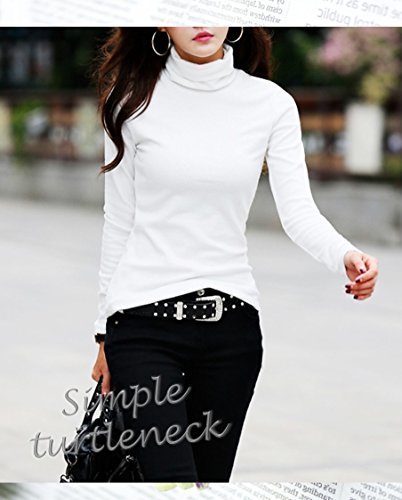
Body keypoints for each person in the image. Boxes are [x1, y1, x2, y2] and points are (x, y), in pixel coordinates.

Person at [90, 27, 379, 482]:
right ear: (161, 21)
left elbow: (298, 212)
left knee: (209, 484)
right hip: (143, 329)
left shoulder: (270, 104)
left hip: (231, 336)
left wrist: (344, 253)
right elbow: (118, 221)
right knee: (173, 484)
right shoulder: (128, 100)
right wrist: (102, 334)